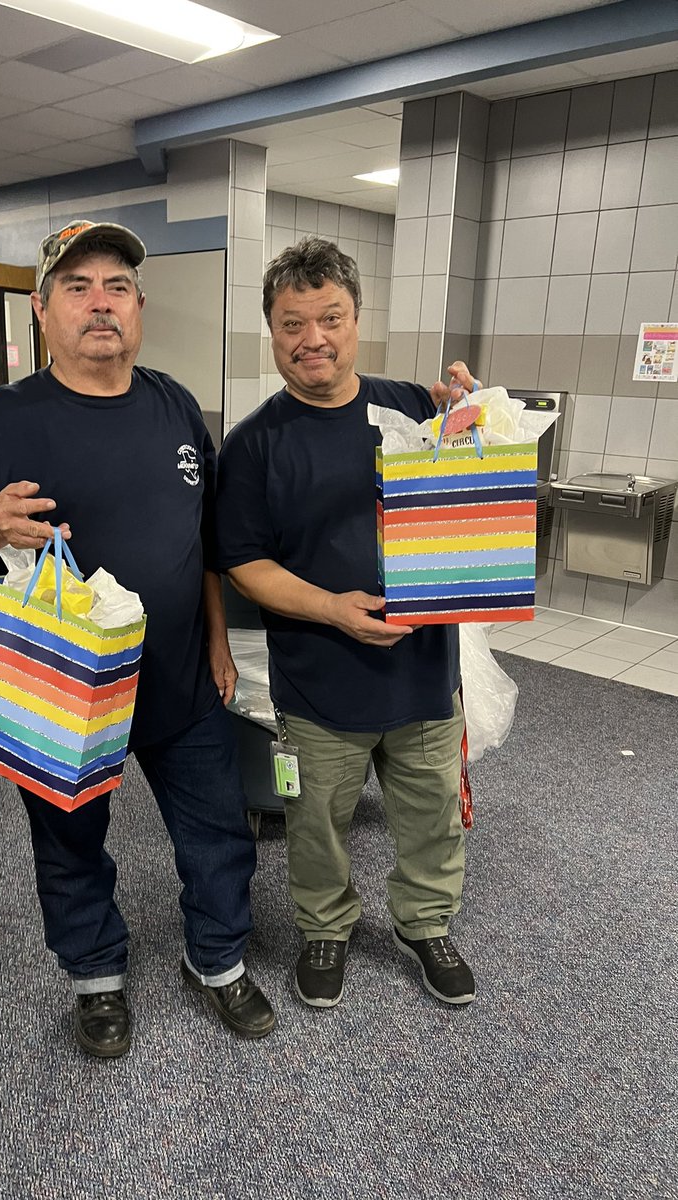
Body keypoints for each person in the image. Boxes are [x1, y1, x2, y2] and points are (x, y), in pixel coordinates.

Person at [0, 218, 275, 1058]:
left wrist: (219, 642)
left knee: (219, 833)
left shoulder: (175, 403)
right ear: (42, 312)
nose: (100, 303)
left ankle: (217, 960)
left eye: (116, 287)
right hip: (63, 692)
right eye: (77, 288)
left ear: (140, 306)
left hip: (181, 678)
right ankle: (96, 975)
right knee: (70, 844)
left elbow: (207, 542)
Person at [216, 235, 479, 1010]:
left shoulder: (415, 410)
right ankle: (325, 926)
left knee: (431, 815)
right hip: (318, 682)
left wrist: (479, 419)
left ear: (357, 318)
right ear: (272, 331)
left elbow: (475, 497)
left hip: (424, 671)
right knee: (317, 823)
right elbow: (245, 564)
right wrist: (332, 608)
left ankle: (425, 922)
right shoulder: (253, 445)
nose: (314, 339)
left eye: (330, 318)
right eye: (293, 324)